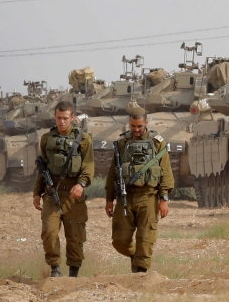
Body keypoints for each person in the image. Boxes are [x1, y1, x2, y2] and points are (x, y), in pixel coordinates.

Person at [105, 106, 174, 273]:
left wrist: (164, 199)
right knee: (119, 241)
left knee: (145, 240)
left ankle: (140, 276)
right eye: (132, 126)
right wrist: (109, 199)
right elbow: (113, 171)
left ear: (146, 123)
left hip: (148, 197)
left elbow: (166, 172)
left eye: (139, 126)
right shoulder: (122, 142)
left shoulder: (157, 143)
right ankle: (135, 257)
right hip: (125, 197)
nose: (136, 130)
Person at [33, 100, 93, 277]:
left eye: (65, 118)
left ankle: (73, 272)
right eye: (59, 118)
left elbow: (89, 167)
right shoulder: (46, 139)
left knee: (75, 237)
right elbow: (42, 169)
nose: (61, 122)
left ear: (72, 117)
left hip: (74, 195)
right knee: (49, 232)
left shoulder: (83, 139)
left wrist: (81, 184)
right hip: (52, 193)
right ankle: (55, 269)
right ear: (55, 117)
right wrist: (37, 192)